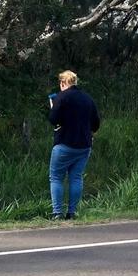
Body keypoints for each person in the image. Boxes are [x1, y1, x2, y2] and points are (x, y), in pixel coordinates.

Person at [48, 70, 100, 220]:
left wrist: (54, 108)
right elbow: (95, 124)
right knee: (76, 177)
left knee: (56, 177)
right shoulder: (87, 98)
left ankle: (57, 212)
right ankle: (72, 212)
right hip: (84, 145)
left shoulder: (61, 97)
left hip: (64, 143)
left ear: (63, 83)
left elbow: (53, 118)